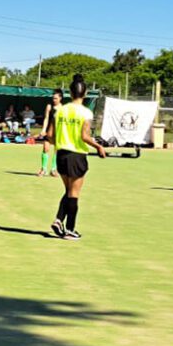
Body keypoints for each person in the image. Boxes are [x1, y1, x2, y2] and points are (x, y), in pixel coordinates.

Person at [46, 74, 106, 240]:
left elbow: (50, 136)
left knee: (69, 191)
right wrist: (99, 146)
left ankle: (59, 220)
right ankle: (70, 229)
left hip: (61, 155)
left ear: (70, 93)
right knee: (74, 194)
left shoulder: (60, 111)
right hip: (77, 155)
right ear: (85, 93)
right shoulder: (85, 112)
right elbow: (85, 136)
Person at [38, 89, 63, 177]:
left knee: (56, 152)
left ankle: (53, 170)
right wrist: (43, 130)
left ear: (60, 98)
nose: (54, 100)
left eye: (55, 98)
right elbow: (46, 118)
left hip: (59, 134)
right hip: (48, 133)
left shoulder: (63, 108)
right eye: (53, 98)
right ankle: (43, 169)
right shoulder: (49, 106)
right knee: (45, 149)